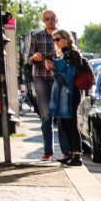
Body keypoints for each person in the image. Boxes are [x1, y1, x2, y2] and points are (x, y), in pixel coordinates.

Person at [25, 9, 61, 160]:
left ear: (57, 19)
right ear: (43, 20)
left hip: (58, 78)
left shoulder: (61, 36)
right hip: (40, 78)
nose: (50, 21)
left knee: (61, 115)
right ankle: (48, 152)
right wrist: (35, 58)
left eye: (52, 18)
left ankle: (67, 151)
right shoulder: (37, 36)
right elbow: (29, 59)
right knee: (46, 116)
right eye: (47, 19)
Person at [49, 30, 84, 166]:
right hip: (64, 91)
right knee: (64, 123)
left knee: (71, 122)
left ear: (66, 39)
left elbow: (72, 73)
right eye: (54, 40)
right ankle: (70, 153)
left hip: (72, 92)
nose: (55, 43)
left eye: (57, 39)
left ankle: (77, 155)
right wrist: (53, 69)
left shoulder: (73, 53)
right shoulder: (63, 54)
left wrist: (56, 67)